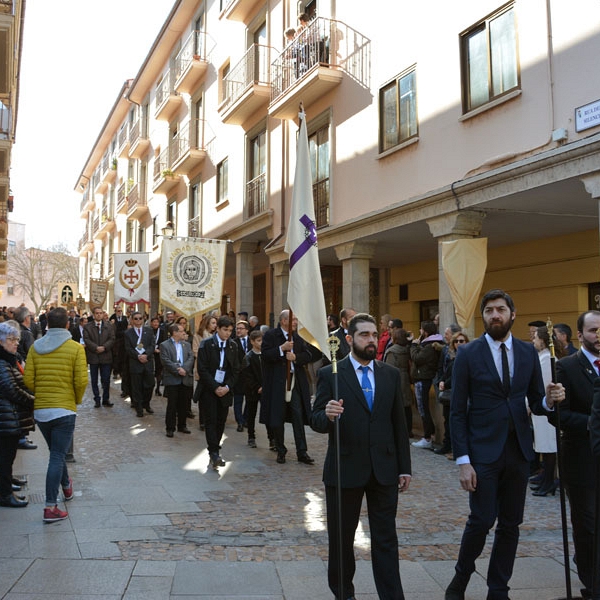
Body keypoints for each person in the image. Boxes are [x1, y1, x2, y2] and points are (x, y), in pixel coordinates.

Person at [446, 289, 564, 600]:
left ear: (512, 314)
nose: (495, 315)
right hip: (482, 451)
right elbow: (457, 412)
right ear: (483, 316)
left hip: (518, 450)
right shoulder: (469, 354)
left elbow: (536, 402)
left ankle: (498, 589)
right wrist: (463, 461)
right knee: (482, 520)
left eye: (500, 309)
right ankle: (459, 581)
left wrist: (549, 401)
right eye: (489, 311)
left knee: (511, 524)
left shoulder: (526, 353)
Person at [311, 312, 412, 600]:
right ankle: (344, 594)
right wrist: (327, 415)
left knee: (386, 540)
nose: (370, 340)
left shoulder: (389, 375)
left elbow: (398, 425)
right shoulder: (330, 373)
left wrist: (404, 468)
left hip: (384, 469)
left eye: (372, 334)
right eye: (363, 335)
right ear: (349, 339)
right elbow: (315, 420)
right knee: (342, 541)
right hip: (345, 468)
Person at [23, 307, 88, 523]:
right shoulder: (76, 348)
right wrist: (75, 400)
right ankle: (50, 506)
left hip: (42, 410)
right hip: (64, 409)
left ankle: (67, 486)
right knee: (57, 455)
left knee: (56, 452)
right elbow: (81, 381)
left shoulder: (35, 347)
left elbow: (29, 381)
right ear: (68, 324)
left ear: (46, 324)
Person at [552, 310, 600, 599]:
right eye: (593, 330)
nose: (599, 336)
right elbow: (559, 415)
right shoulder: (568, 367)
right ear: (580, 334)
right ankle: (592, 582)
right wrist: (595, 424)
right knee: (588, 525)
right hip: (582, 461)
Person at [260, 309, 315, 465]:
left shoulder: (297, 337)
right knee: (278, 416)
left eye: (296, 320)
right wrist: (281, 349)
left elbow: (308, 355)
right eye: (293, 320)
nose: (296, 323)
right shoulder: (271, 335)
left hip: (294, 383)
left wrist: (296, 357)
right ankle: (281, 449)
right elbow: (265, 355)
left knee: (298, 415)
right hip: (277, 384)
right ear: (284, 321)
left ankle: (302, 451)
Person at [197, 315, 240, 468]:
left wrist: (227, 387)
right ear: (218, 329)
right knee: (211, 420)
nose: (227, 333)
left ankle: (216, 447)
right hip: (210, 389)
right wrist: (215, 387)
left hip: (225, 389)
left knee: (221, 421)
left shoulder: (233, 346)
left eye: (230, 331)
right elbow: (202, 369)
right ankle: (213, 451)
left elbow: (236, 369)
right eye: (225, 330)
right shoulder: (206, 344)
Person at [0, 321, 34, 508]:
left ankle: (6, 486)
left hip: (8, 417)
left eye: (17, 339)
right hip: (5, 418)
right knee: (5, 457)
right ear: (1, 342)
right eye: (12, 339)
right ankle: (5, 494)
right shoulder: (2, 362)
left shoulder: (8, 359)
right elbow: (11, 389)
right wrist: (31, 400)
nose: (15, 343)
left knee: (7, 456)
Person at [529, 326, 562, 497]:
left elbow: (540, 386)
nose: (533, 341)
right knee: (544, 447)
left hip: (546, 410)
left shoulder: (548, 359)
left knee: (549, 447)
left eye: (535, 337)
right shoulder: (541, 358)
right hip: (540, 411)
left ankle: (549, 482)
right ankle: (545, 479)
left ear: (542, 340)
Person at [410, 320, 444, 449]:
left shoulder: (429, 346)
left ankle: (428, 437)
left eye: (421, 329)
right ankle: (429, 435)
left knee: (423, 408)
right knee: (422, 407)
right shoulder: (428, 344)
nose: (419, 331)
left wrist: (414, 346)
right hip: (423, 377)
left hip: (423, 378)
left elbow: (417, 358)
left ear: (426, 331)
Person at [435, 331, 469, 456]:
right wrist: (441, 381)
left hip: (461, 394)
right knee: (448, 421)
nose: (458, 344)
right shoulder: (450, 356)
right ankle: (447, 445)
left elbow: (457, 376)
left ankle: (457, 449)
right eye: (456, 341)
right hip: (449, 394)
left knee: (459, 422)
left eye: (461, 341)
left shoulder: (468, 357)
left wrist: (446, 382)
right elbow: (445, 372)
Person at [161, 323, 194, 437]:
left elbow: (190, 358)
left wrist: (184, 369)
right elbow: (165, 360)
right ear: (174, 333)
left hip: (185, 377)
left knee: (184, 403)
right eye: (181, 331)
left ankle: (182, 425)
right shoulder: (164, 345)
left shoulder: (187, 344)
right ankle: (170, 428)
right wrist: (177, 369)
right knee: (172, 404)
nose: (183, 333)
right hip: (172, 378)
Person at [384, 327, 415, 438]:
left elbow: (388, 368)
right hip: (406, 377)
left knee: (396, 404)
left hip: (396, 378)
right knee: (407, 405)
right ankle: (409, 429)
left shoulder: (392, 351)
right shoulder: (407, 349)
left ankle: (399, 429)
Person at [124, 311, 156, 418]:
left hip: (147, 362)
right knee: (136, 387)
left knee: (150, 384)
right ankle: (139, 408)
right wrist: (138, 356)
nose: (138, 321)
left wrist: (146, 355)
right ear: (132, 320)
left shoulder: (149, 331)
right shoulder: (128, 333)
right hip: (135, 363)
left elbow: (152, 345)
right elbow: (128, 348)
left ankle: (146, 403)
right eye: (136, 319)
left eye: (140, 318)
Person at [83, 306, 115, 408]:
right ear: (93, 315)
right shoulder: (87, 327)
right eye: (97, 313)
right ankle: (97, 399)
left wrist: (104, 347)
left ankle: (106, 399)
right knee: (94, 380)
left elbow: (112, 338)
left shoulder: (109, 326)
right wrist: (96, 347)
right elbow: (86, 339)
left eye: (100, 313)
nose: (99, 315)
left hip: (106, 356)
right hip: (93, 356)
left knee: (106, 379)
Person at [241, 329, 264, 448]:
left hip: (265, 389)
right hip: (252, 390)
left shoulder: (265, 355)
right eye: (259, 341)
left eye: (262, 340)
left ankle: (272, 438)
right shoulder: (248, 357)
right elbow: (247, 376)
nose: (261, 343)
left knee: (267, 413)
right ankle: (251, 436)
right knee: (251, 414)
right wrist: (256, 387)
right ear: (252, 342)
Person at [233, 320, 250, 432]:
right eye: (237, 328)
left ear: (247, 330)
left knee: (249, 400)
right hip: (238, 376)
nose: (238, 330)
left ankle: (246, 419)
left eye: (241, 328)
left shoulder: (252, 341)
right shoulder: (233, 342)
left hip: (250, 377)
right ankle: (239, 421)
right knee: (238, 400)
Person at [150, 315, 168, 395]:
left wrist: (160, 349)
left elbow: (165, 341)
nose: (155, 323)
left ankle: (157, 388)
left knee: (159, 371)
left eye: (157, 322)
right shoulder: (148, 331)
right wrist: (152, 349)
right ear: (151, 323)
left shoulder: (162, 331)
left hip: (159, 353)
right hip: (150, 353)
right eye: (154, 322)